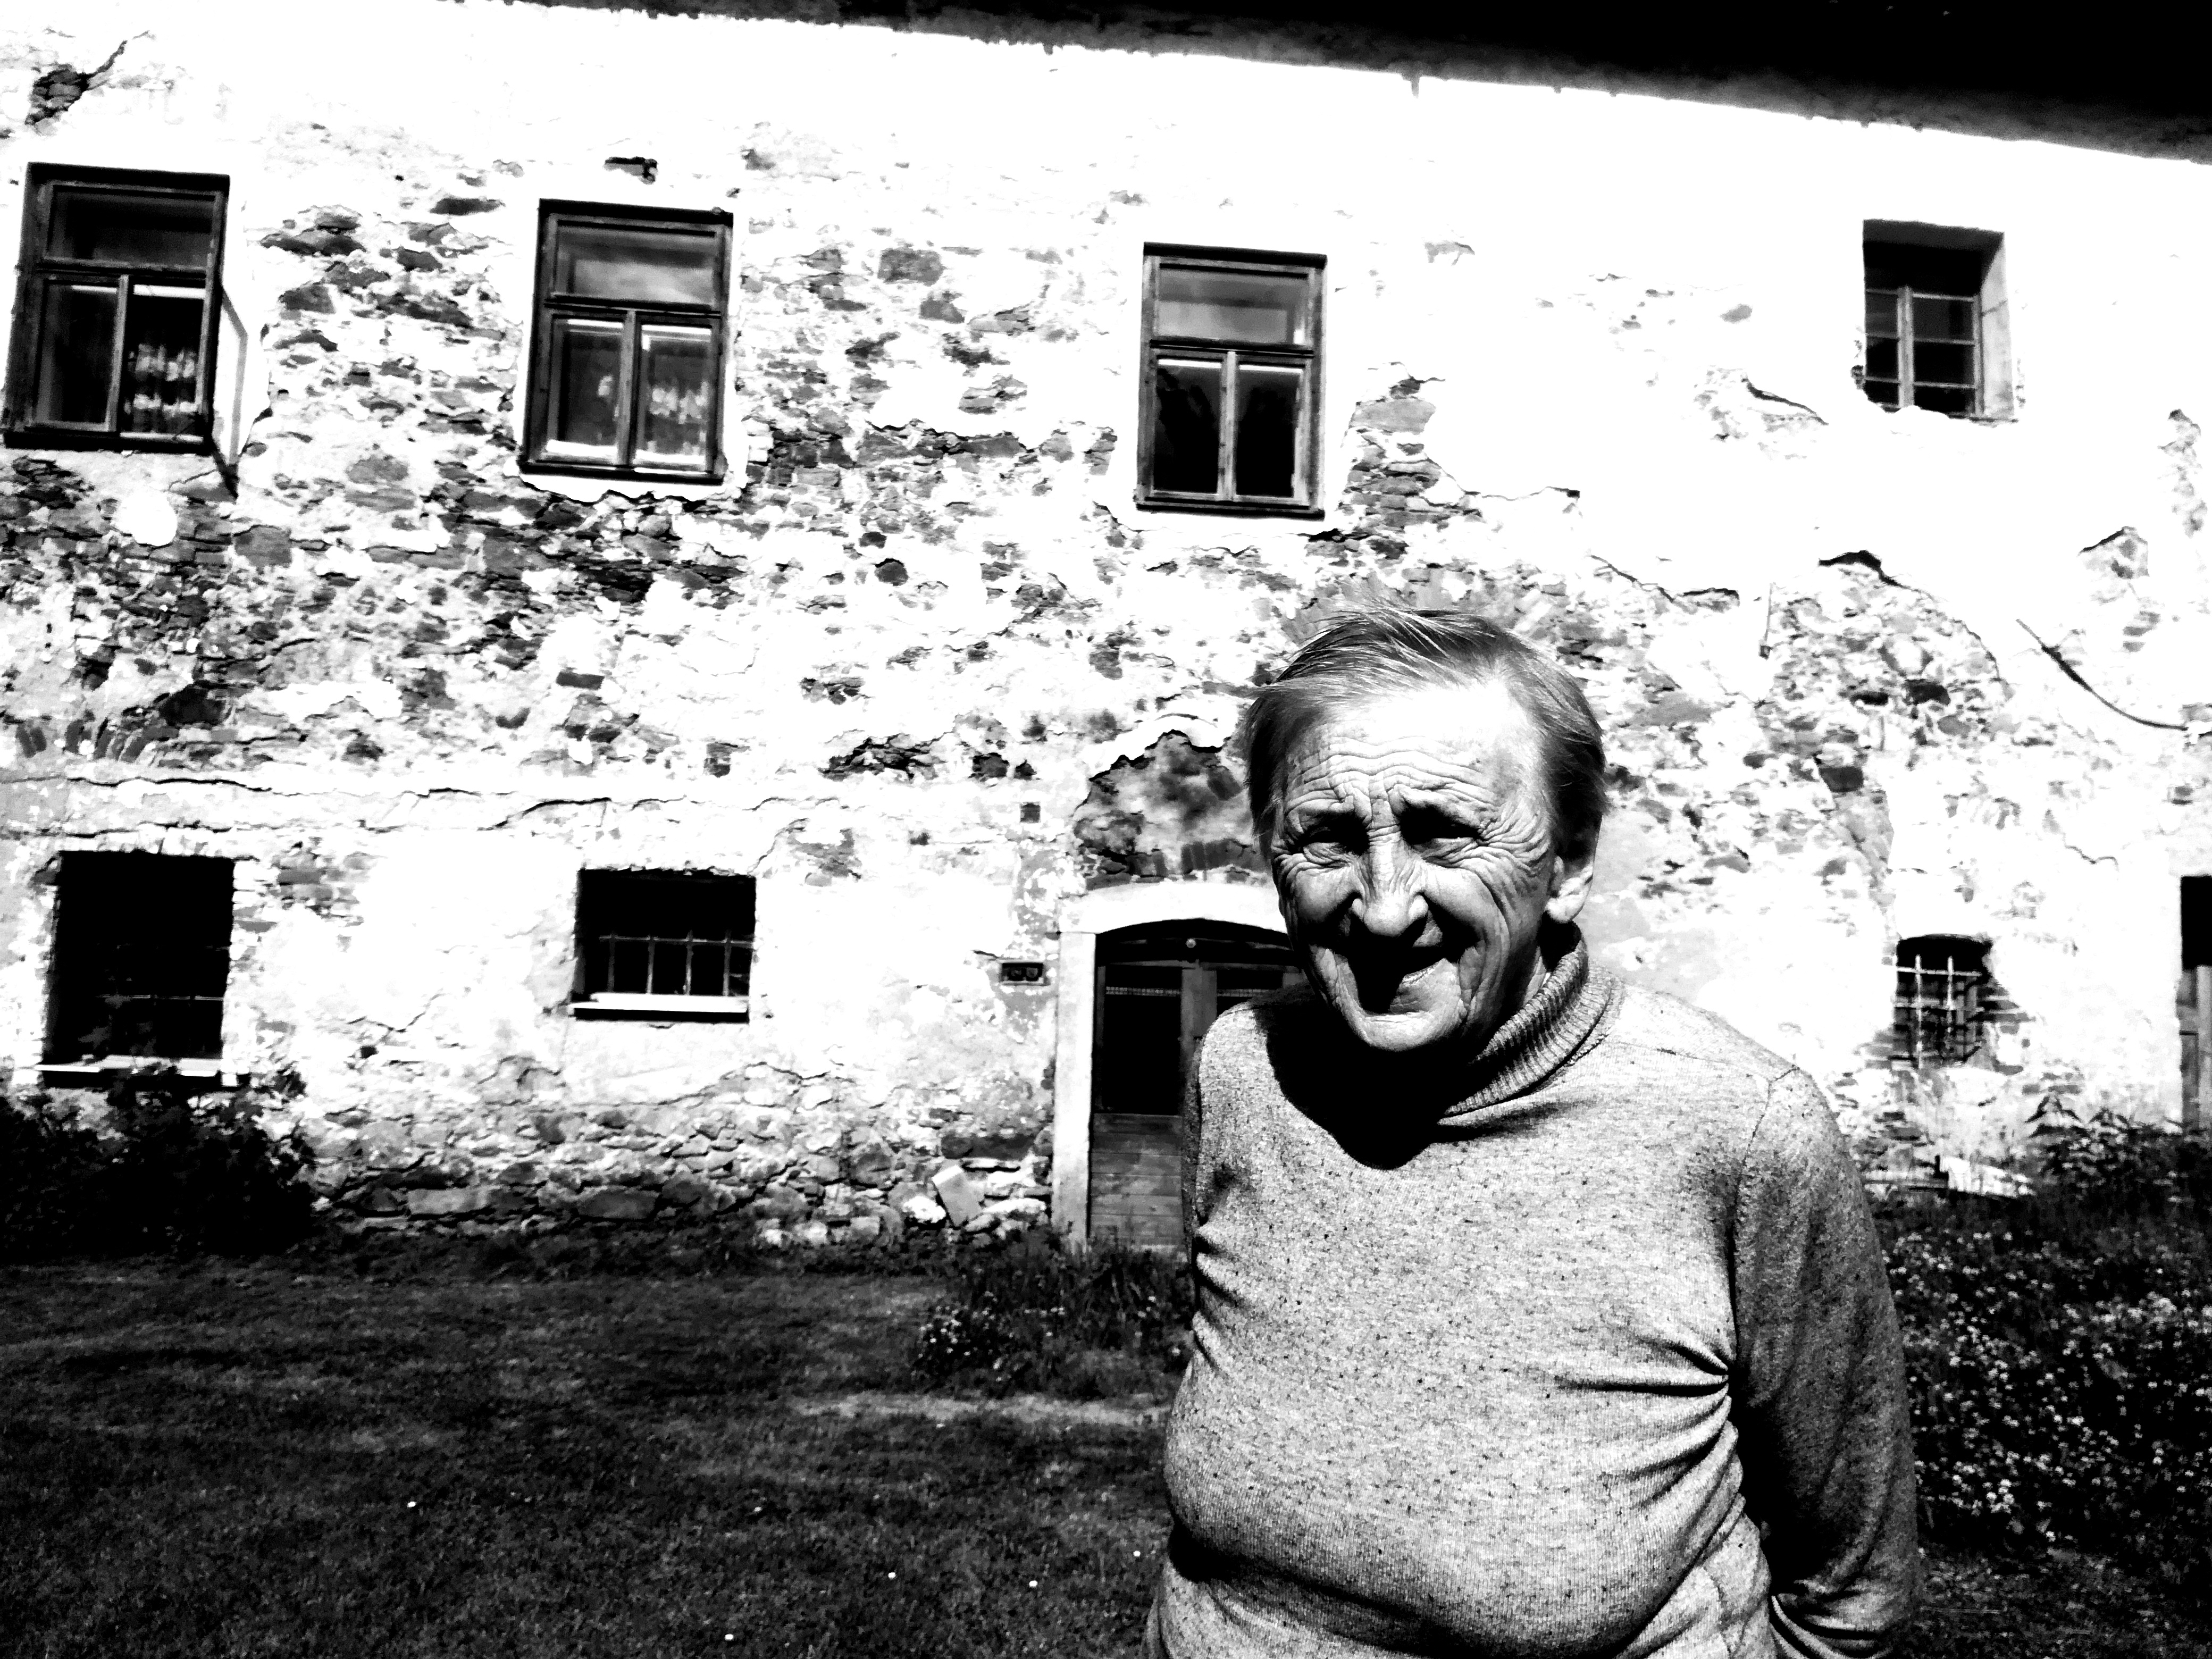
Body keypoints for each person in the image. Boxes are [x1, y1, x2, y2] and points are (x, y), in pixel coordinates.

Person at [1147, 609, 1919, 1659]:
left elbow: (1850, 1593)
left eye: (1443, 835)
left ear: (1568, 866)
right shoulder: (1244, 1070)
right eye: (1327, 837)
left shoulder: (1737, 1131)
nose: (1384, 909)